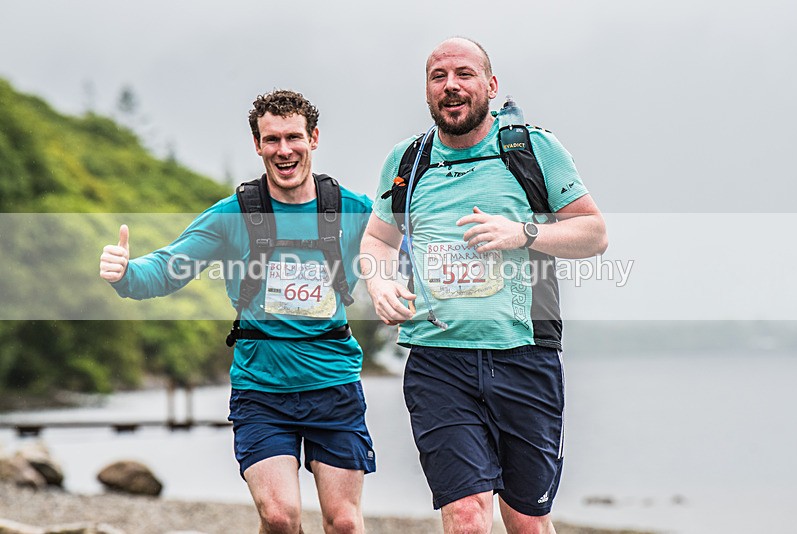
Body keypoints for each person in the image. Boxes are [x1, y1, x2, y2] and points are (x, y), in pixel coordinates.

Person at [360, 37, 608, 534]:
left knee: (527, 521)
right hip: (437, 362)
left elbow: (594, 233)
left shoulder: (532, 150)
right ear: (427, 92)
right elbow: (378, 238)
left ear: (490, 86)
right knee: (467, 514)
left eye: (464, 74)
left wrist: (523, 232)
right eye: (438, 76)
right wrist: (379, 283)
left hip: (524, 356)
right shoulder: (407, 162)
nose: (451, 86)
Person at [100, 90, 375, 534]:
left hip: (335, 387)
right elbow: (170, 267)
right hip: (261, 391)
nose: (283, 150)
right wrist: (125, 273)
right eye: (271, 140)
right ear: (257, 145)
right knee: (280, 516)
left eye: (293, 137)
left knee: (343, 522)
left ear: (314, 138)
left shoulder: (353, 209)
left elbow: (405, 256)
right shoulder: (233, 215)